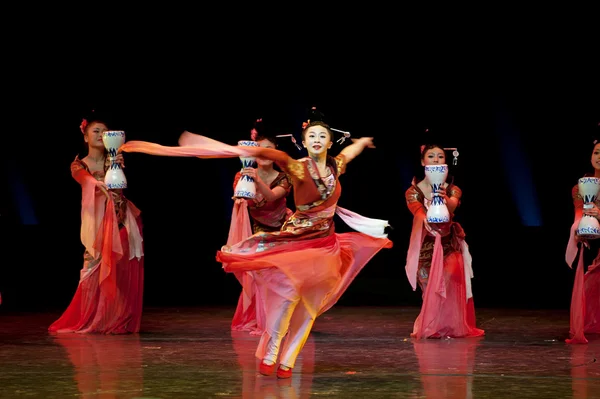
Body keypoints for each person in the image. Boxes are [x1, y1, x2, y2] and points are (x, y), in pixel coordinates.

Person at [118, 107, 393, 378]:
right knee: (287, 300)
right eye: (312, 136)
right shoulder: (296, 167)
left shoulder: (336, 166)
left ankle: (288, 360)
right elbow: (257, 152)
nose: (317, 139)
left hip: (325, 247)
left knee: (309, 307)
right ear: (305, 142)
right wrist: (202, 148)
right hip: (296, 242)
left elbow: (349, 153)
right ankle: (272, 353)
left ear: (330, 141)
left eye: (322, 135)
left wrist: (361, 143)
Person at [49, 112, 144, 334]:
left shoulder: (115, 160)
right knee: (93, 270)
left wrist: (117, 166)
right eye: (96, 131)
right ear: (85, 137)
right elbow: (83, 179)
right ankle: (92, 318)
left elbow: (120, 191)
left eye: (105, 132)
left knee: (119, 272)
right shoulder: (79, 164)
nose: (101, 135)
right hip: (96, 222)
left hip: (121, 220)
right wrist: (95, 181)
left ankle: (115, 319)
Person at [404, 143, 484, 339]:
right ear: (423, 162)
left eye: (440, 157)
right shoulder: (413, 191)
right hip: (425, 247)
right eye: (431, 156)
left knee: (448, 284)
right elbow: (419, 213)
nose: (436, 160)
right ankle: (432, 325)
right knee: (429, 291)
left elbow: (452, 208)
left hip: (449, 245)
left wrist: (443, 198)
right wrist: (428, 219)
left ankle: (450, 325)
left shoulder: (453, 190)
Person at [229, 118, 293, 335]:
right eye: (260, 150)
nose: (264, 154)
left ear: (276, 153)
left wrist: (256, 180)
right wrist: (239, 198)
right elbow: (245, 200)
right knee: (260, 279)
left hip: (282, 231)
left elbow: (273, 196)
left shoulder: (284, 178)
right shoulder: (242, 176)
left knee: (281, 280)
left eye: (269, 150)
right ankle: (263, 320)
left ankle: (281, 321)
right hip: (258, 231)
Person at [565, 137, 600, 344]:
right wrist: (578, 229)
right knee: (591, 284)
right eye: (596, 152)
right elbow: (580, 213)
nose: (599, 157)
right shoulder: (582, 186)